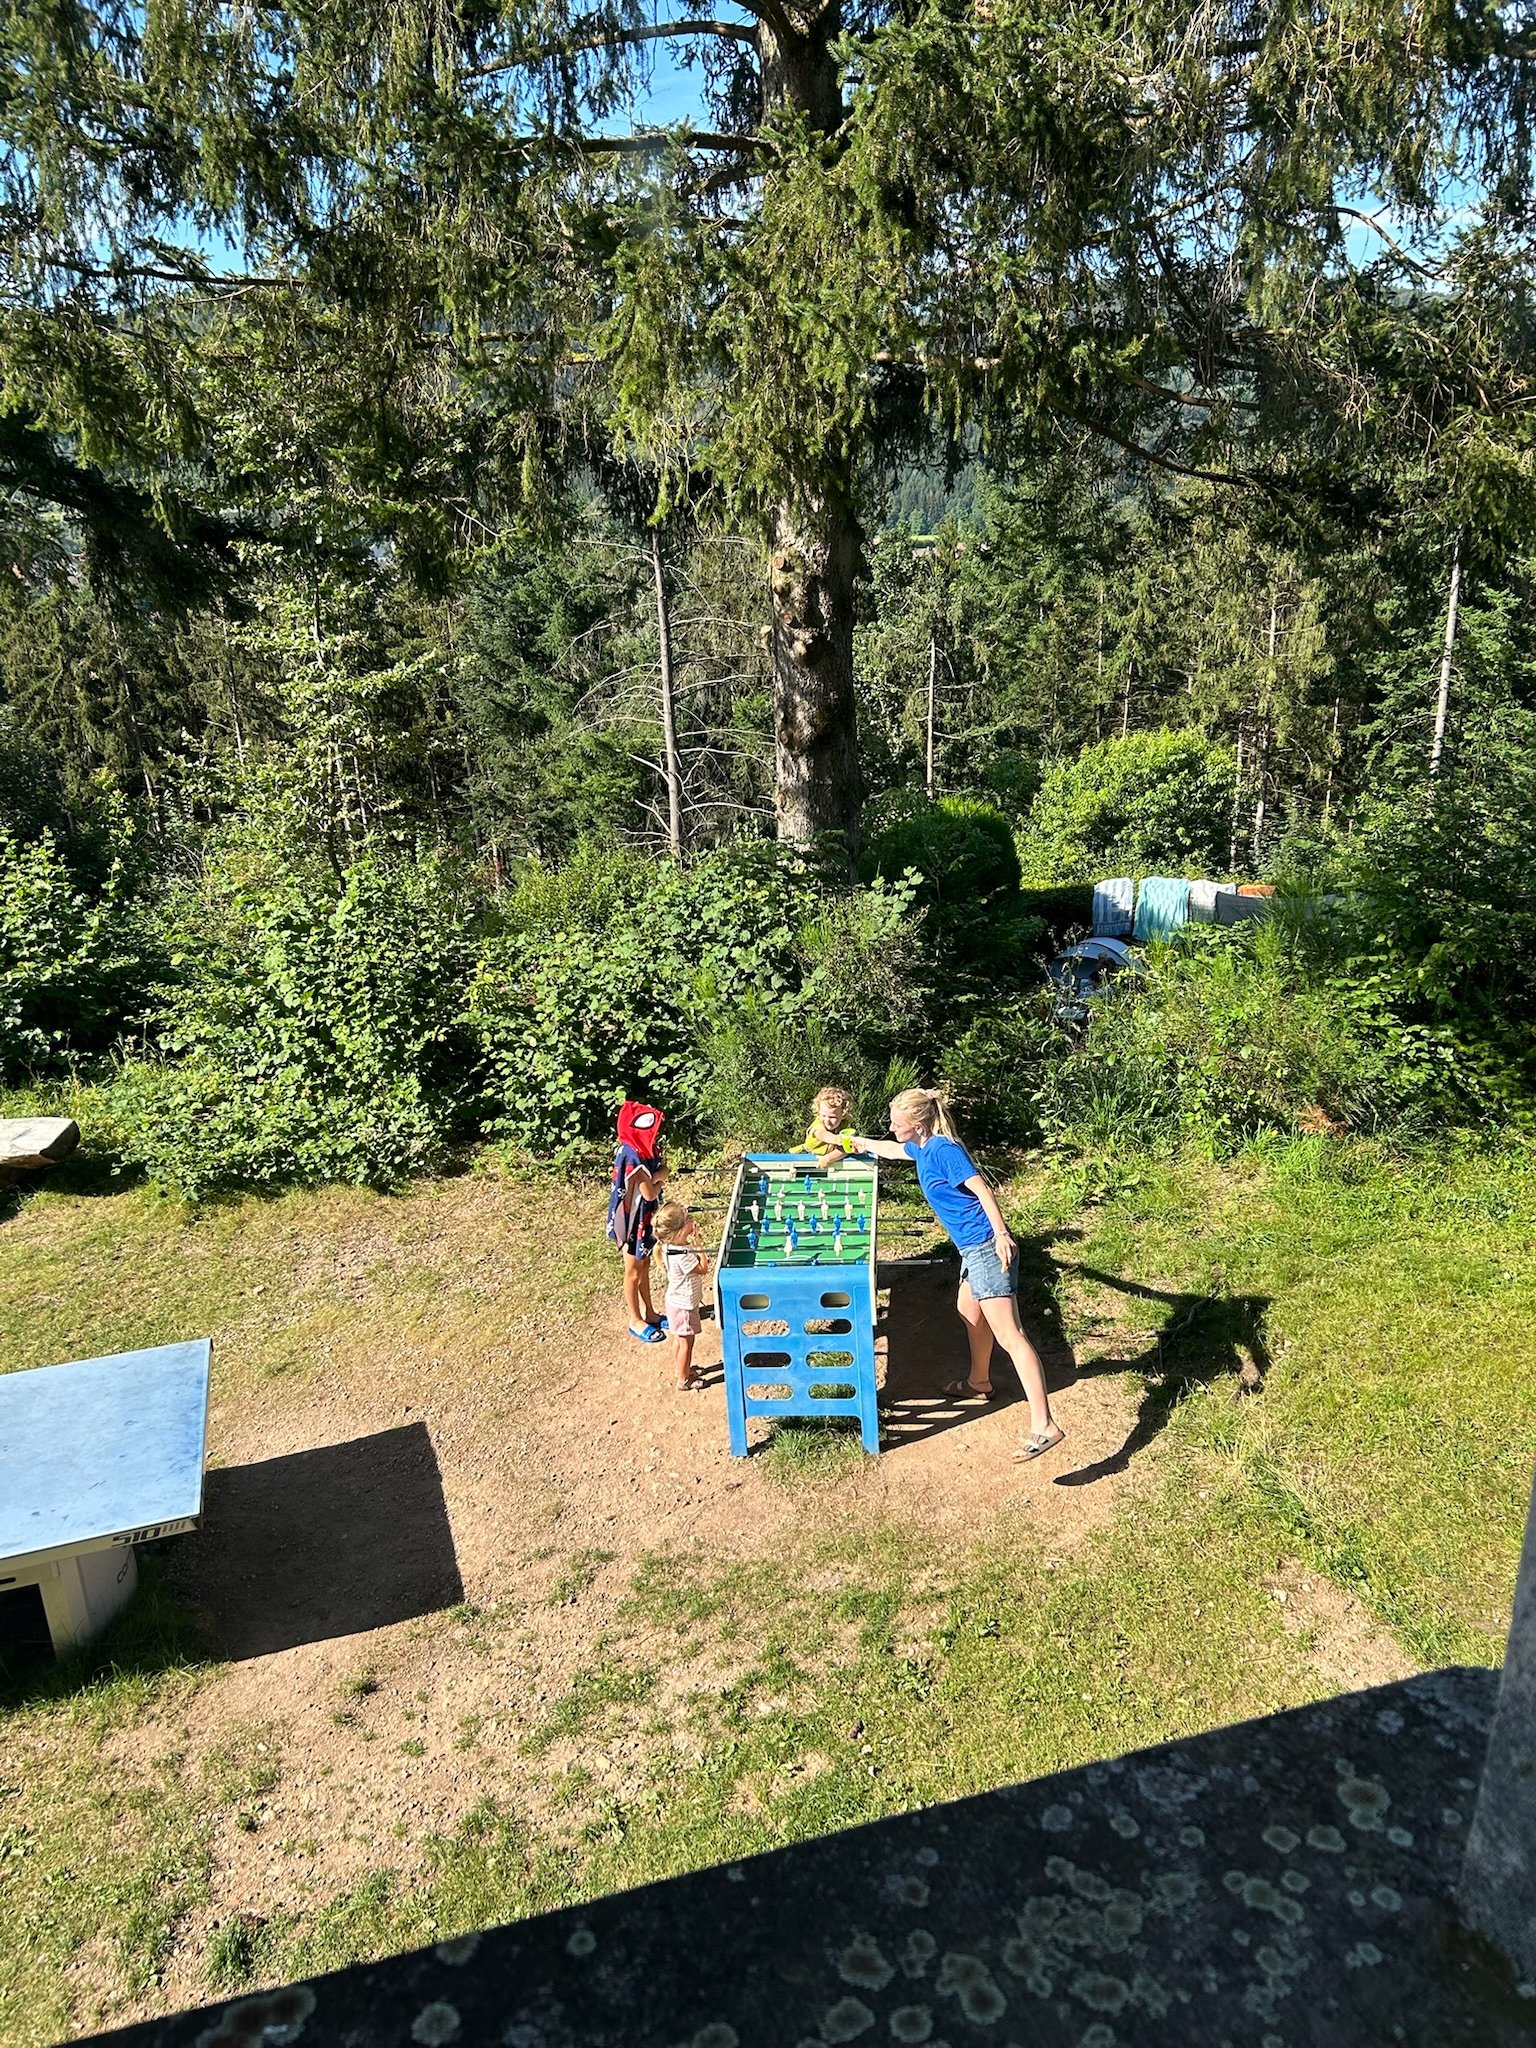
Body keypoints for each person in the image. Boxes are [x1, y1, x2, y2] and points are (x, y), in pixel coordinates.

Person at [854, 1087, 1066, 1461]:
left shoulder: (943, 1151)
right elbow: (891, 1149)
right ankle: (979, 1382)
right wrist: (857, 1142)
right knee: (968, 1311)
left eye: (896, 1123)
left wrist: (1001, 1235)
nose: (891, 1128)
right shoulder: (920, 1147)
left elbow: (982, 1189)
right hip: (971, 1249)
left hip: (986, 1247)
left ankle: (1044, 1425)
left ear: (917, 1124)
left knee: (1011, 1335)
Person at [607, 1100, 668, 1342]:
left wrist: (657, 1176)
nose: (655, 1135)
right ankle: (634, 1319)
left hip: (646, 1218)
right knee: (633, 1271)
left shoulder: (647, 1149)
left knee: (645, 1265)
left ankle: (650, 1313)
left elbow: (659, 1173)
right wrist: (660, 1177)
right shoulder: (631, 1154)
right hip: (632, 1222)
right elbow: (649, 1192)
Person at [653, 1200, 709, 1391]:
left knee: (680, 1340)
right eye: (688, 1219)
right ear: (679, 1231)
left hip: (676, 1302)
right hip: (684, 1306)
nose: (692, 1220)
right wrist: (699, 1245)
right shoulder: (682, 1255)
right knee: (686, 1342)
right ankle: (684, 1380)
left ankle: (682, 1370)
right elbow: (703, 1268)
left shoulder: (670, 1246)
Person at [802, 1085, 857, 1161]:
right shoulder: (818, 1124)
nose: (827, 1120)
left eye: (832, 1117)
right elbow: (822, 1134)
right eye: (823, 1115)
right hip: (807, 1156)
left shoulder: (843, 1125)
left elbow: (844, 1150)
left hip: (825, 1159)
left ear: (843, 1114)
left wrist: (829, 1158)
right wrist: (836, 1139)